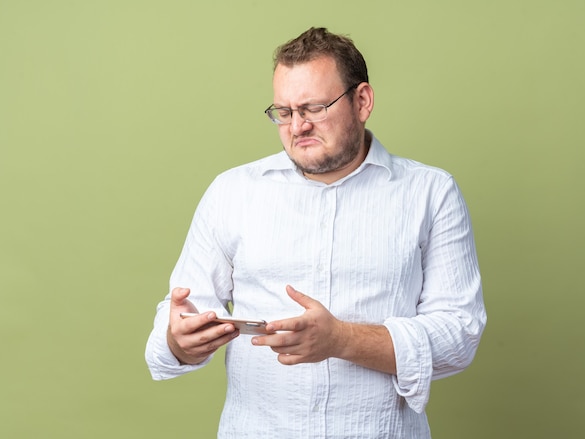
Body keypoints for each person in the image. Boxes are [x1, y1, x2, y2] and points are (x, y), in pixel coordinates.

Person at [146, 27, 486, 438]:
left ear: (362, 101)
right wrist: (179, 340)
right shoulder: (231, 192)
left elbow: (459, 335)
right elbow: (179, 324)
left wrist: (341, 340)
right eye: (284, 112)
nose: (297, 127)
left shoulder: (431, 193)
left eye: (314, 108)